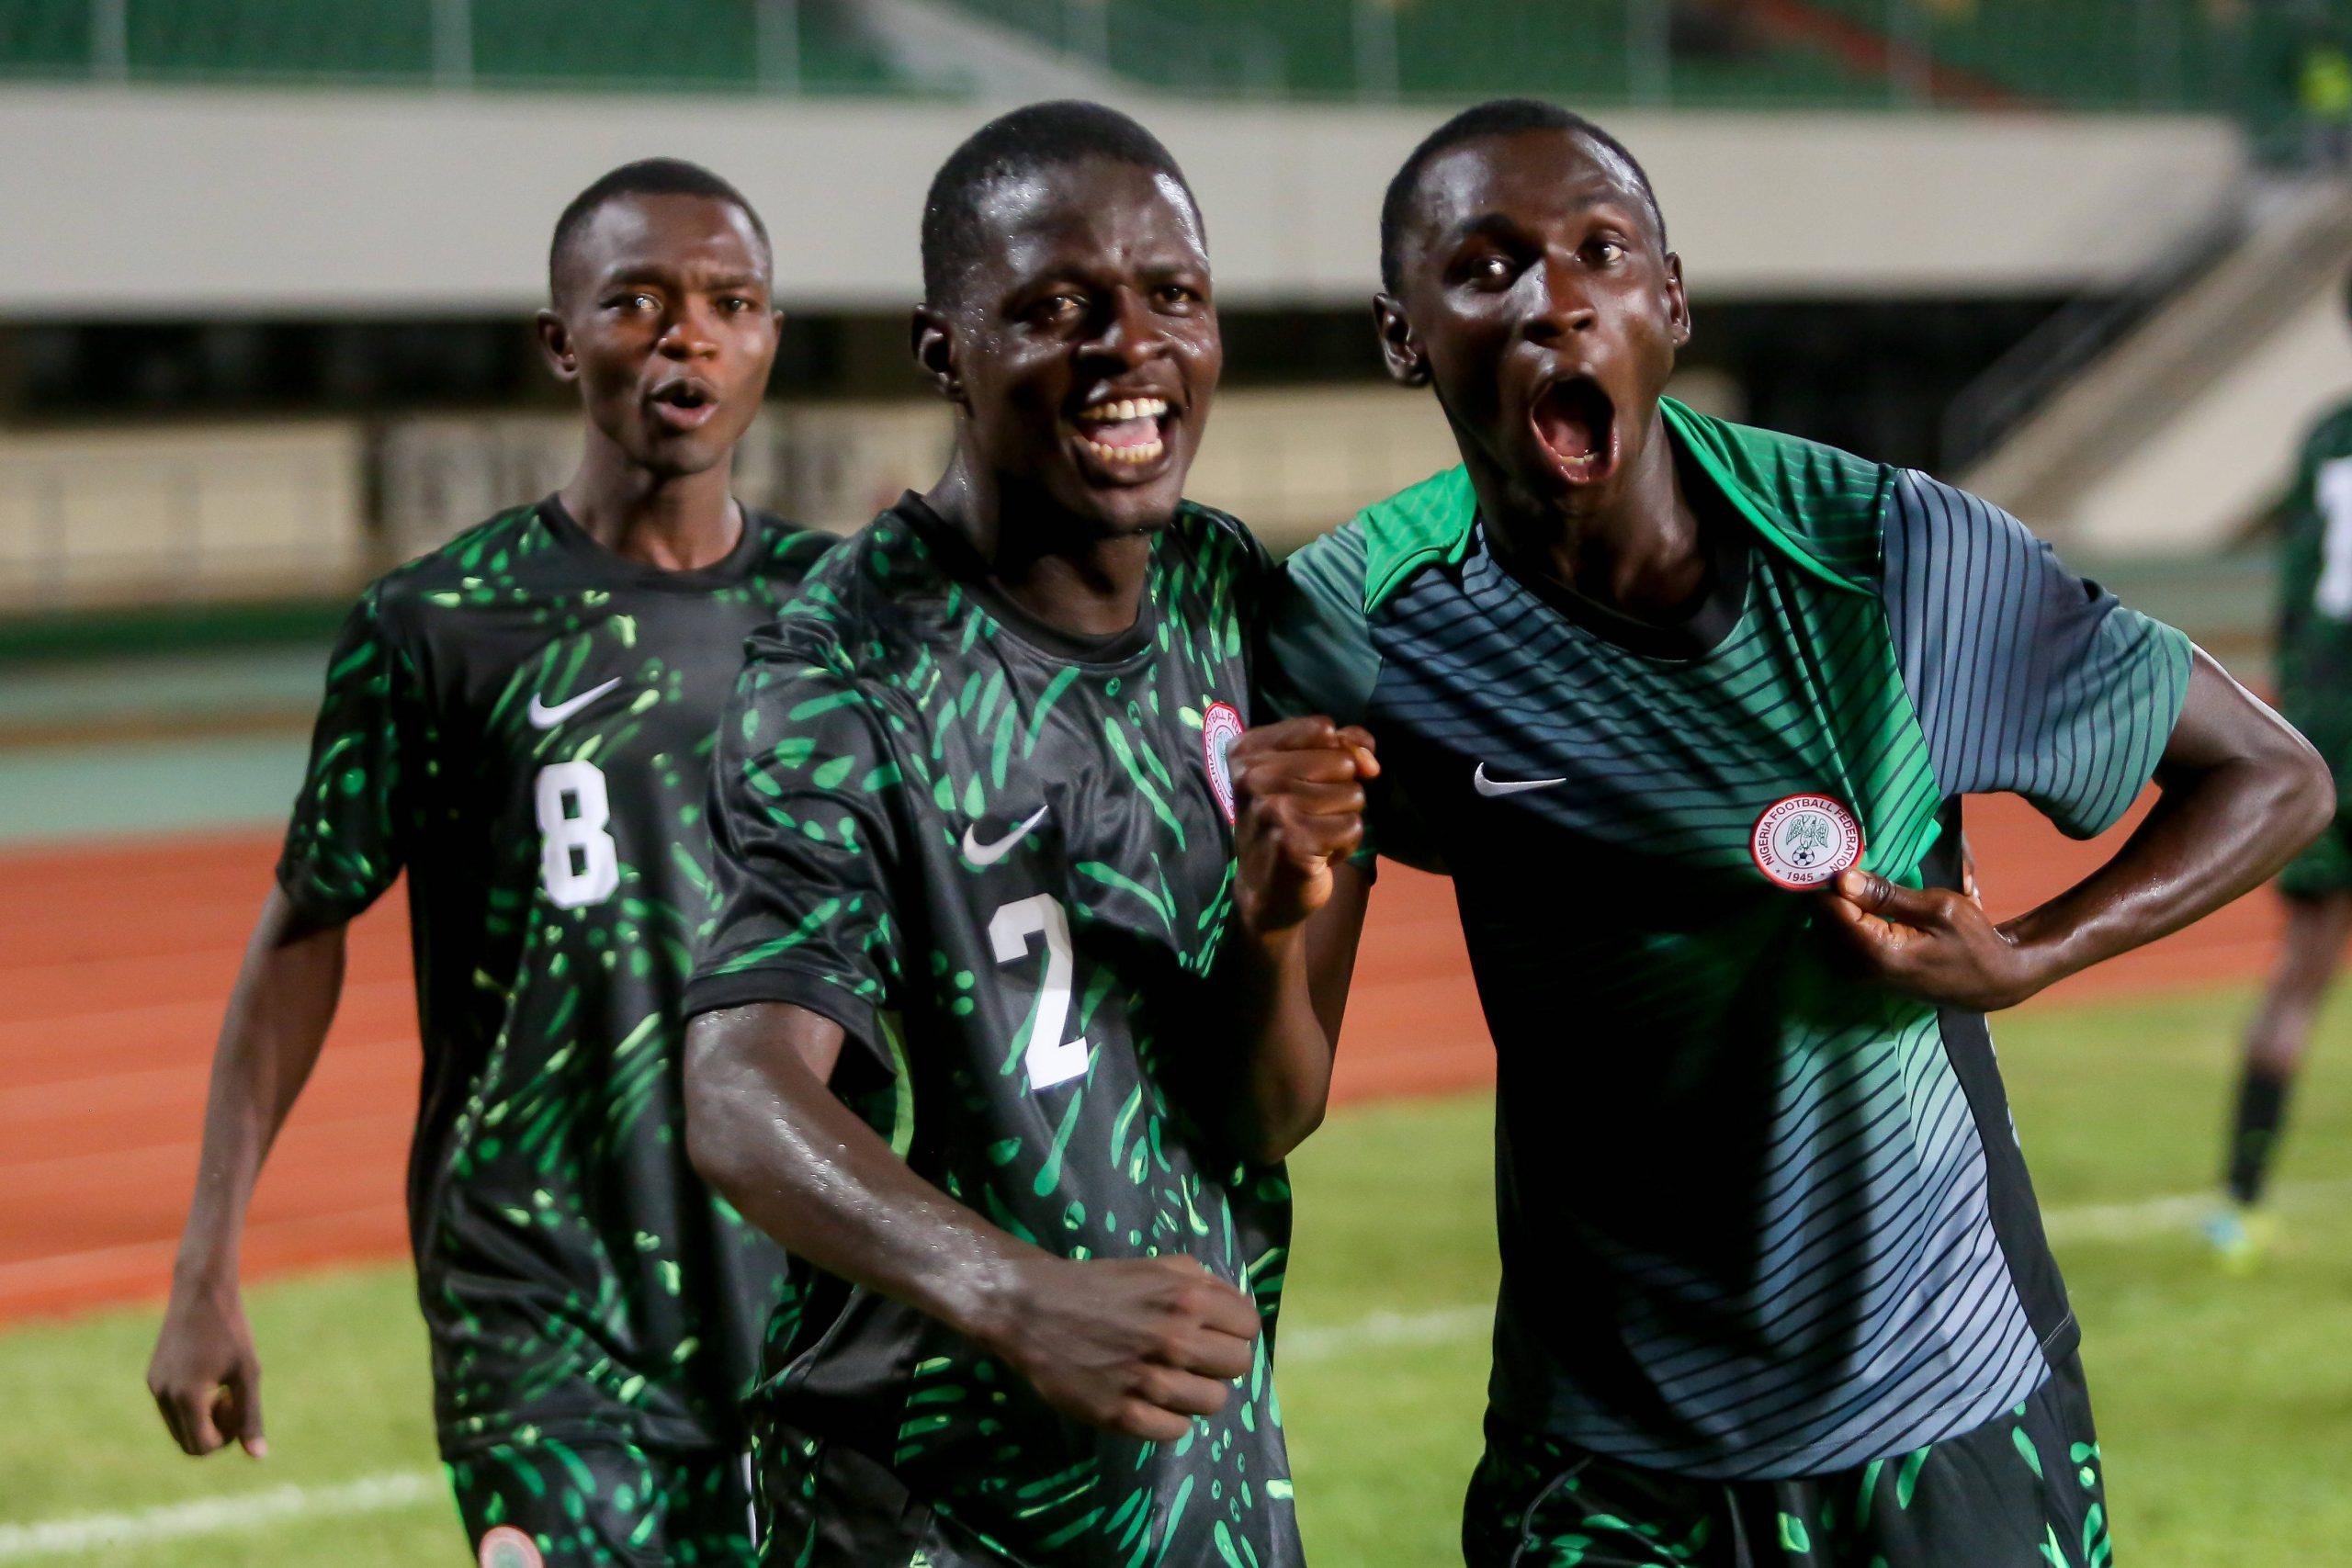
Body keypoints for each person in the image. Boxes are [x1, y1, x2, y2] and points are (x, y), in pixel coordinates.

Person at [1247, 98, 2333, 1566]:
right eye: (1486, 267)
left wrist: (2031, 950)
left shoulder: (1889, 554)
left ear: (1670, 301)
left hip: (1939, 1398)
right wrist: (1273, 898)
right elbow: (1274, 1102)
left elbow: (2274, 777)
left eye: (1600, 253)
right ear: (1402, 334)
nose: (1553, 302)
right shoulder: (1355, 629)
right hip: (1606, 1451)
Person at [146, 158, 831, 1567]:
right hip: (541, 1310)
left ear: (769, 335)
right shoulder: (439, 623)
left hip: (807, 1287)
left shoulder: (841, 621)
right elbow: (304, 924)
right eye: (635, 301)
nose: (685, 334)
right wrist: (206, 1260)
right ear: (560, 338)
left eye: (730, 301)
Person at [679, 101, 1331, 1567]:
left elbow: (1270, 1113)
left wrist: (1276, 923)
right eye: (1054, 307)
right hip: (929, 1499)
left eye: (1173, 295)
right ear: (944, 351)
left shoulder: (1232, 601)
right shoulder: (844, 663)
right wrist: (1013, 1290)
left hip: (1199, 1468)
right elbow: (734, 1091)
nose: (1131, 346)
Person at [2208, 303, 2352, 1270]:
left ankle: (2238, 1200)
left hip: (2329, 726)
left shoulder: (2326, 437)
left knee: (2300, 967)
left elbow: (2294, 597)